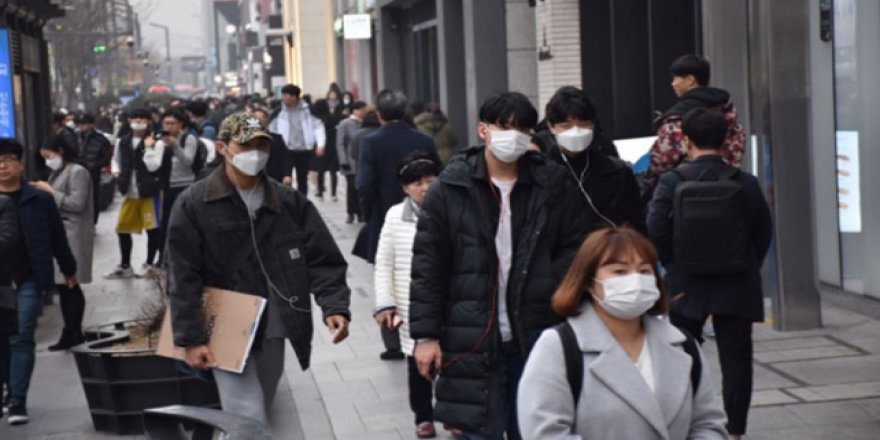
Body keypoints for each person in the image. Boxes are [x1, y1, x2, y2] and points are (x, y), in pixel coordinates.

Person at [409, 92, 584, 439]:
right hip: (471, 336)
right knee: (480, 430)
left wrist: (551, 285)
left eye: (521, 128)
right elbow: (429, 265)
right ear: (483, 130)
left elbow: (575, 248)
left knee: (536, 428)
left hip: (535, 331)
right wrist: (425, 336)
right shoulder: (451, 188)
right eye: (504, 127)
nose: (513, 136)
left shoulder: (551, 183)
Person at [165, 112, 352, 426]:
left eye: (262, 144)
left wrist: (334, 306)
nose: (256, 152)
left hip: (275, 321)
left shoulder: (289, 201)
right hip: (223, 319)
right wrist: (190, 338)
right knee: (246, 412)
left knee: (260, 403)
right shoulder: (194, 203)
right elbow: (181, 274)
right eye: (246, 144)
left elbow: (323, 257)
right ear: (223, 147)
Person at [517, 227, 728, 439]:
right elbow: (544, 432)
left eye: (645, 271)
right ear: (590, 283)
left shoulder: (683, 345)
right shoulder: (559, 347)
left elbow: (709, 424)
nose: (635, 280)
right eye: (620, 271)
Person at [647, 108, 772, 440]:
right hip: (737, 282)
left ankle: (684, 423)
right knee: (737, 360)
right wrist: (745, 263)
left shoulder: (671, 181)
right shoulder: (746, 182)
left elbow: (655, 227)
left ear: (685, 141)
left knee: (679, 354)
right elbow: (763, 232)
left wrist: (674, 264)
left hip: (686, 282)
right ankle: (735, 430)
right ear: (726, 140)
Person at [0, 139, 77, 425]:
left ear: (20, 164)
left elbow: (57, 235)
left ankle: (18, 400)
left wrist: (69, 269)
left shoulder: (39, 198)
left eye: (8, 159)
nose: (2, 166)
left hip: (28, 277)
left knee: (22, 336)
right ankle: (7, 391)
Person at [373, 151, 442, 439]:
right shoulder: (394, 216)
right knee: (418, 366)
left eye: (430, 180)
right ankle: (423, 416)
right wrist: (384, 303)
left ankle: (452, 414)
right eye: (417, 183)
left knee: (453, 363)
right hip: (409, 302)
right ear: (404, 188)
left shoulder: (450, 209)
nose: (425, 187)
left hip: (446, 299)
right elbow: (383, 263)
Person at [535, 86, 645, 234]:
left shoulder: (617, 172)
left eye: (583, 125)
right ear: (551, 126)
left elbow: (636, 224)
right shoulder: (540, 172)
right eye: (566, 126)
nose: (575, 132)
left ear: (593, 124)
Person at [356, 89, 439, 265]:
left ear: (379, 114)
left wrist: (369, 212)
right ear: (404, 111)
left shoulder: (371, 142)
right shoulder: (425, 140)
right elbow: (438, 175)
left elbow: (365, 184)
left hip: (384, 211)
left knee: (387, 267)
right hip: (422, 212)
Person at [33, 136, 93, 351]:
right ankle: (71, 330)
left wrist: (51, 192)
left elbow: (77, 203)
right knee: (66, 286)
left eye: (49, 156)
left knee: (70, 284)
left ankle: (73, 331)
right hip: (62, 233)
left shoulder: (77, 172)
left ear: (59, 150)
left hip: (73, 233)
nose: (48, 161)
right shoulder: (58, 172)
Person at [649, 54, 744, 176]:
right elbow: (735, 156)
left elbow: (662, 163)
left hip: (685, 188)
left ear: (690, 80)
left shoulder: (676, 118)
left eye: (675, 78)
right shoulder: (727, 113)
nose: (673, 84)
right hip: (728, 185)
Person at [104, 108, 172, 278]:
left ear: (149, 121)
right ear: (129, 121)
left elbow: (154, 166)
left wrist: (149, 149)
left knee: (153, 228)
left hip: (150, 191)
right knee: (122, 228)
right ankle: (125, 265)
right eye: (135, 118)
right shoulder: (123, 141)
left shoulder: (158, 142)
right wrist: (117, 173)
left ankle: (150, 263)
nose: (138, 122)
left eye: (142, 119)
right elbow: (116, 160)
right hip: (129, 191)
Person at [155, 109, 200, 264]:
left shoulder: (189, 139)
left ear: (181, 124)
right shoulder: (159, 140)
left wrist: (175, 146)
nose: (169, 127)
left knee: (183, 223)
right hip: (164, 187)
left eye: (173, 123)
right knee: (163, 224)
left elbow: (188, 161)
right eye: (166, 123)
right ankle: (163, 256)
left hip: (184, 186)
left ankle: (185, 257)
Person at [268, 84, 326, 196]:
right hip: (286, 150)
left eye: (286, 95)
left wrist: (320, 144)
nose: (284, 98)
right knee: (285, 177)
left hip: (304, 149)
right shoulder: (279, 111)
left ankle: (302, 200)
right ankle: (286, 199)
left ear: (294, 97)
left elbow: (318, 126)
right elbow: (272, 129)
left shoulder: (309, 110)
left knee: (302, 178)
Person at [74, 112, 112, 224]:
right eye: (79, 124)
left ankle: (93, 222)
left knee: (93, 197)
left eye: (84, 124)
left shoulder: (101, 139)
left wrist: (95, 165)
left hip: (93, 173)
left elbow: (107, 158)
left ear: (91, 124)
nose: (81, 126)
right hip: (77, 172)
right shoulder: (75, 137)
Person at [336, 101, 368, 223]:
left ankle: (361, 213)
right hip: (350, 162)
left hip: (362, 161)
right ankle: (350, 213)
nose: (363, 112)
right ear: (355, 110)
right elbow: (340, 144)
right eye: (362, 110)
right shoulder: (345, 124)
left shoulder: (365, 123)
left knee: (360, 188)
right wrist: (343, 160)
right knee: (351, 188)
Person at [310, 99, 340, 201]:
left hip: (321, 147)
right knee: (333, 171)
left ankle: (320, 191)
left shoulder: (317, 119)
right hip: (332, 146)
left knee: (320, 170)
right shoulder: (332, 118)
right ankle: (334, 193)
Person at [252, 107, 289, 183]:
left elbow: (286, 157)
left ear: (266, 120)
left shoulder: (277, 138)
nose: (259, 121)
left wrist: (287, 175)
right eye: (256, 118)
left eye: (261, 118)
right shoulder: (244, 140)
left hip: (274, 178)